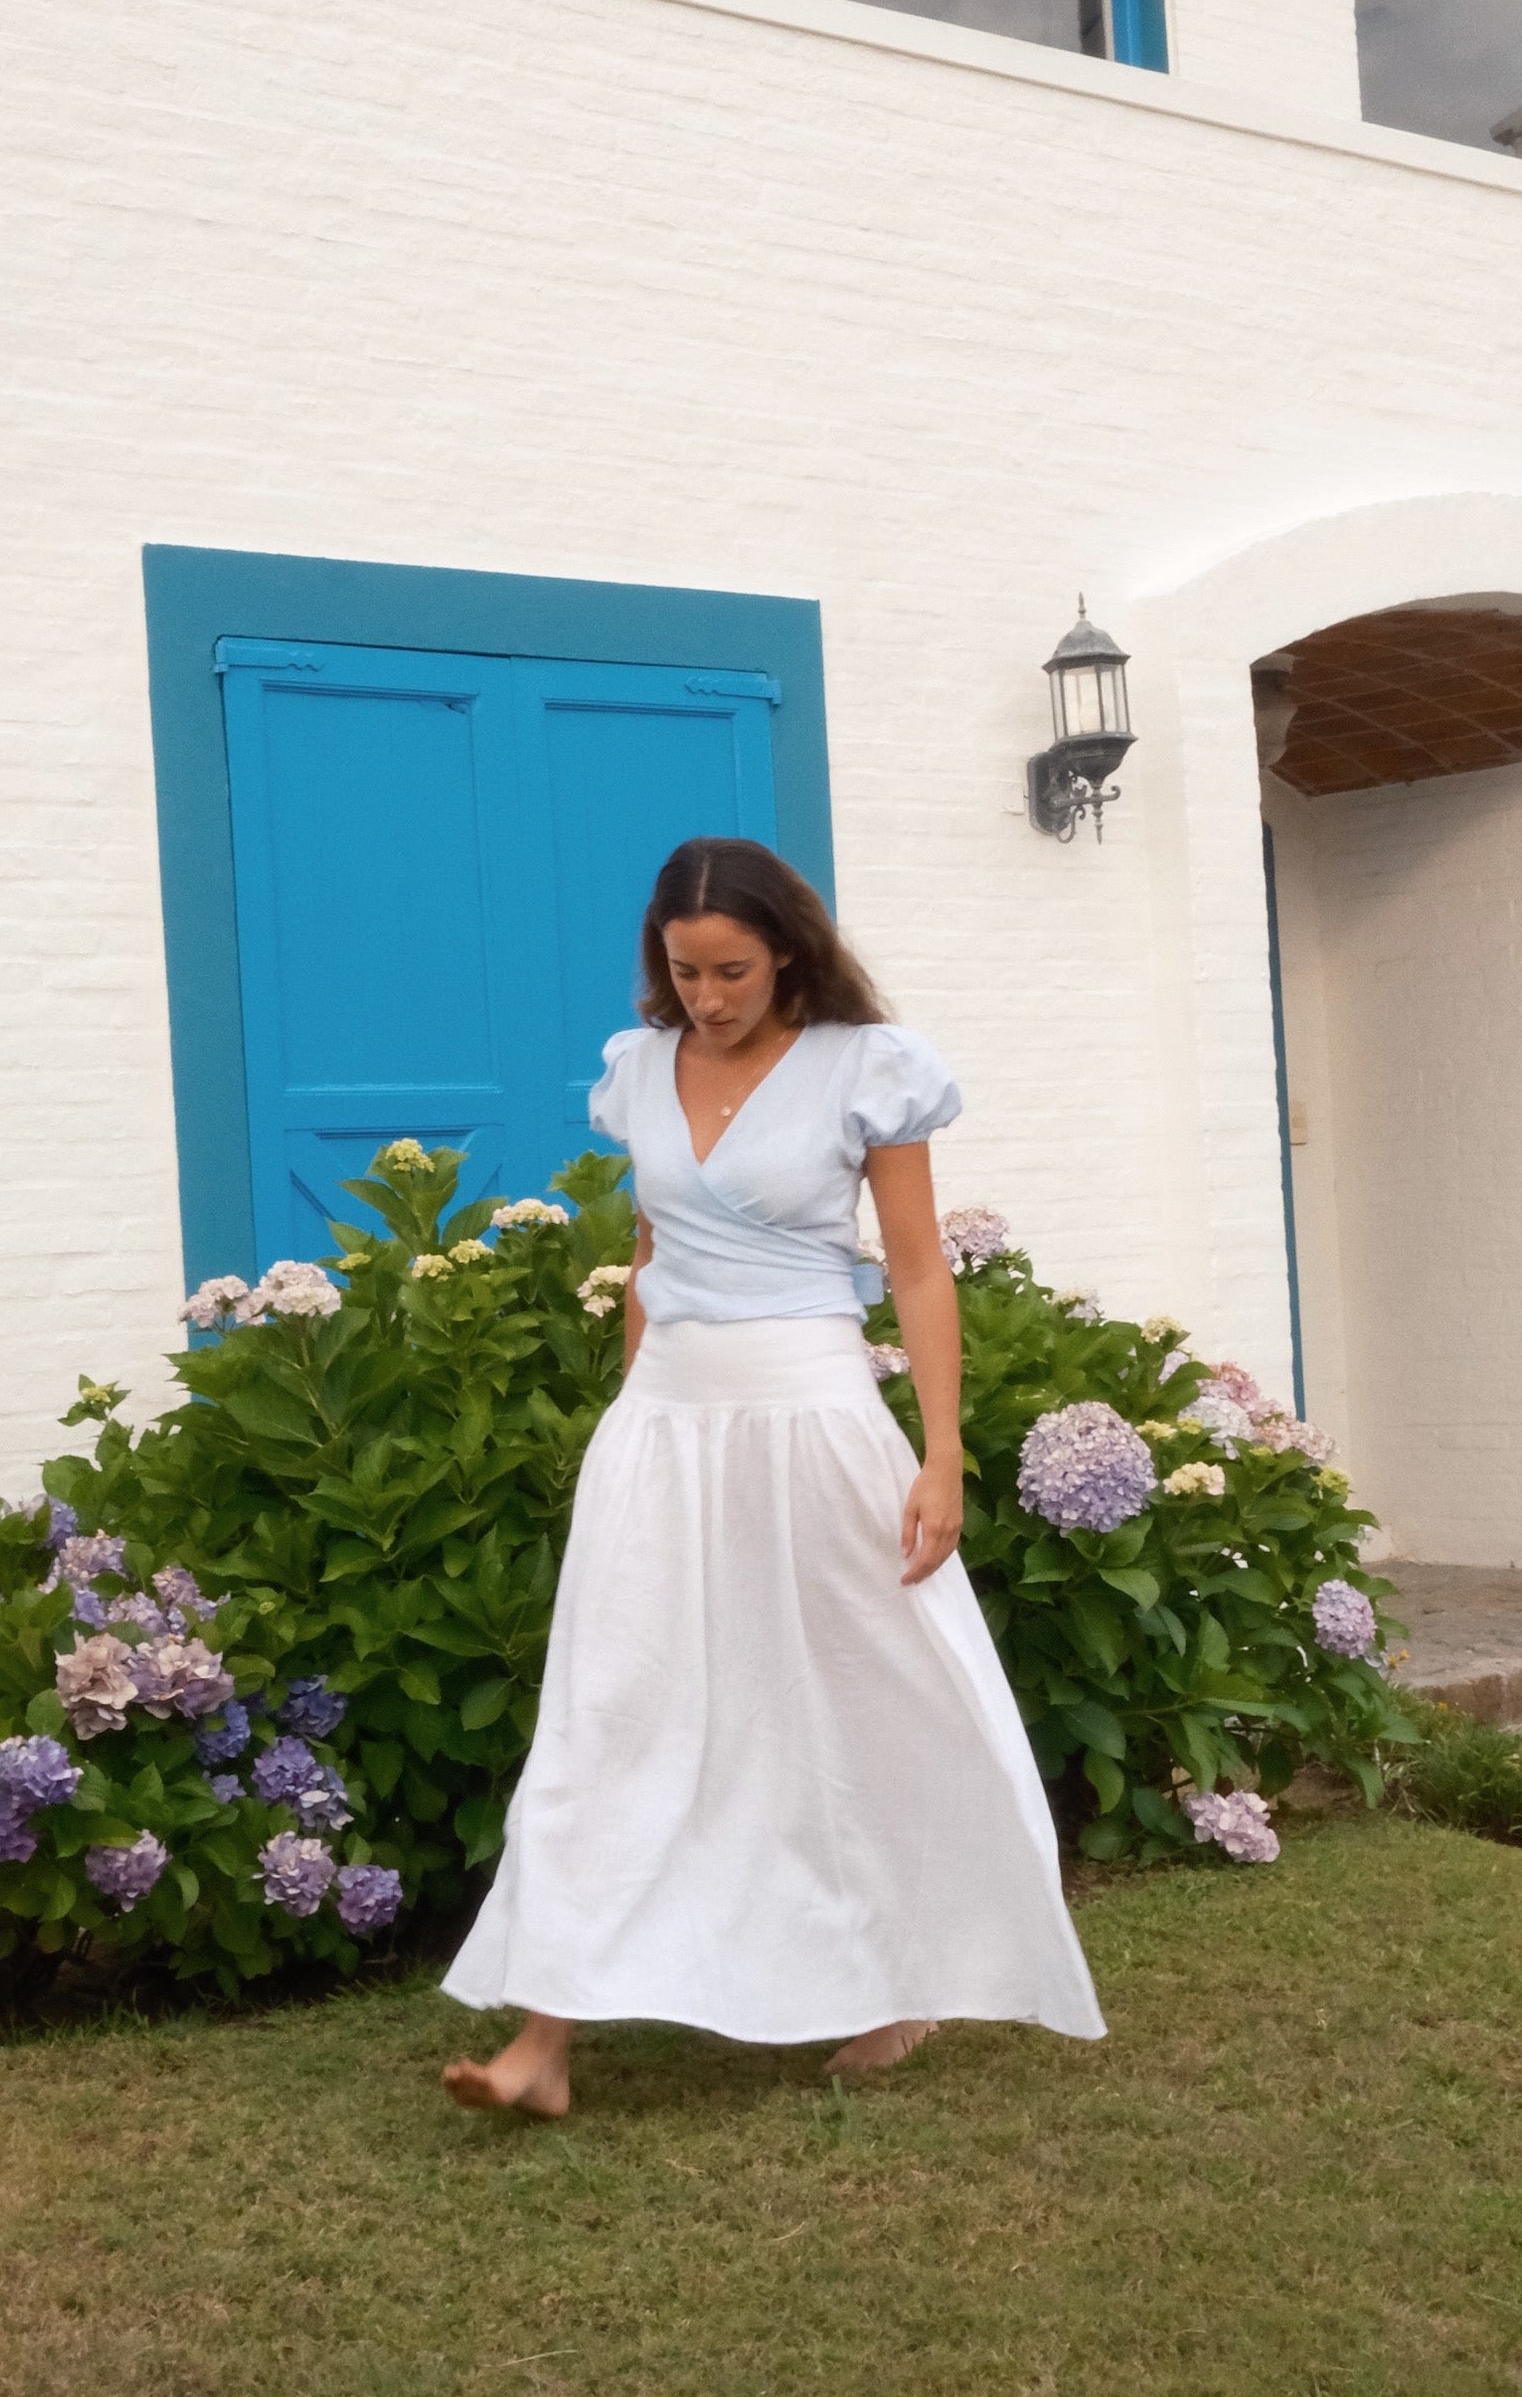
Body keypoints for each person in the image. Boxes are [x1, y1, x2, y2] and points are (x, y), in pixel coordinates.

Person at [441, 837, 1104, 2115]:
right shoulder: (638, 1069)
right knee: (612, 1709)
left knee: (860, 1697)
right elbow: (650, 1252)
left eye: (731, 969)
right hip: (664, 1425)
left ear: (788, 949)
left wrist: (943, 1448)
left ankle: (901, 1976)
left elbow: (914, 1268)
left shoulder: (868, 1070)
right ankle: (543, 2041)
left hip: (810, 1414)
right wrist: (632, 1406)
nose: (708, 995)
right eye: (685, 971)